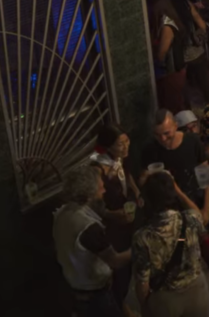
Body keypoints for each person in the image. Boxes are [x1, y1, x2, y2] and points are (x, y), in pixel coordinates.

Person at [141, 109, 209, 311]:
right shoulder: (151, 149)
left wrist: (207, 207)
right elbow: (142, 178)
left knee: (207, 247)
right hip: (166, 211)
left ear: (175, 126)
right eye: (158, 135)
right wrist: (149, 178)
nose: (163, 139)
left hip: (192, 204)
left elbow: (204, 174)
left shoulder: (191, 141)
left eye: (167, 133)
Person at [53, 165, 131, 317]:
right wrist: (140, 245)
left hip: (75, 285)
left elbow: (91, 210)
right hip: (95, 295)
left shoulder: (62, 212)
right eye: (101, 187)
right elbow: (115, 261)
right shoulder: (89, 229)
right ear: (88, 194)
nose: (104, 190)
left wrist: (112, 215)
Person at [133, 171, 209, 317]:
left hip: (167, 299)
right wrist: (177, 190)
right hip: (197, 291)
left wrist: (144, 306)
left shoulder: (143, 237)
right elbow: (200, 216)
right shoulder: (190, 218)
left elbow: (142, 282)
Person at [89, 124, 139, 314]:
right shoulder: (97, 168)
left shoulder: (119, 157)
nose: (126, 147)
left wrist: (136, 191)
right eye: (120, 144)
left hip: (126, 217)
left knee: (130, 265)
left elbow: (127, 175)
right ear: (107, 146)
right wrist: (112, 215)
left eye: (127, 141)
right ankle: (121, 307)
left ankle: (124, 301)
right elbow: (94, 206)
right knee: (119, 271)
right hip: (112, 226)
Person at [148, 0, 188, 113]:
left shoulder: (167, 25)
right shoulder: (163, 21)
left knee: (173, 104)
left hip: (172, 71)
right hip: (172, 71)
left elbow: (161, 53)